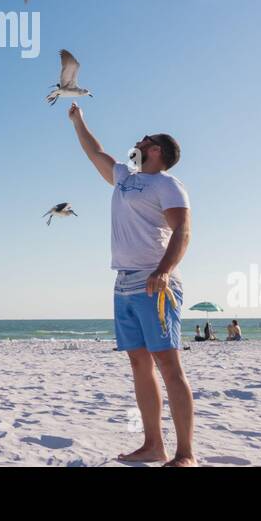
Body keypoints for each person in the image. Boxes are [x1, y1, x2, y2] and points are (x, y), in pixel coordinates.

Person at [68, 104, 195, 467]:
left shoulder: (168, 184)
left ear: (157, 150)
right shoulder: (123, 176)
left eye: (145, 140)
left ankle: (186, 454)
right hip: (122, 282)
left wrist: (165, 270)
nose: (137, 142)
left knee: (169, 365)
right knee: (139, 364)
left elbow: (183, 231)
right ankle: (154, 445)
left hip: (153, 282)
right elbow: (95, 152)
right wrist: (79, 120)